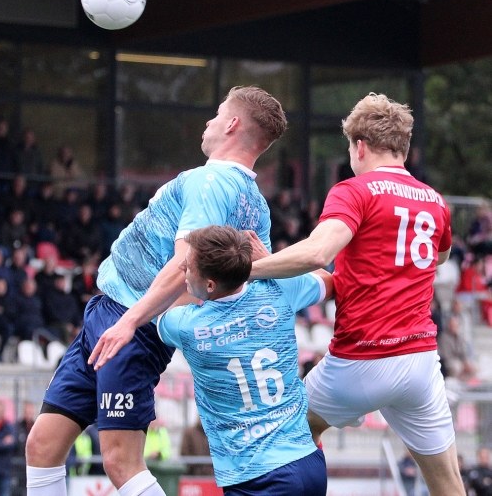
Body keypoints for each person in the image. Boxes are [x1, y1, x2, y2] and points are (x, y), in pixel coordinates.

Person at [26, 86, 286, 496]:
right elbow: (254, 276)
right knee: (42, 445)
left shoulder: (211, 180)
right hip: (110, 316)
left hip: (131, 323)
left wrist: (130, 322)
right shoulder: (254, 203)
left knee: (120, 461)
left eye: (218, 114)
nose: (209, 122)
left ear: (233, 124)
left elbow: (187, 262)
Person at [247, 93, 463, 496]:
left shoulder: (354, 190)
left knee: (286, 434)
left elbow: (318, 252)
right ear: (403, 148)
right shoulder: (436, 201)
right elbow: (440, 256)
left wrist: (248, 268)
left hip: (361, 359)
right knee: (448, 484)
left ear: (359, 146)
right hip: (419, 361)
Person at [154, 225, 330, 493]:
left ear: (210, 284)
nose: (181, 269)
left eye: (188, 267)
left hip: (256, 477)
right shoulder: (277, 290)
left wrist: (193, 283)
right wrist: (267, 262)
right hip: (307, 462)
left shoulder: (186, 325)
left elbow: (162, 307)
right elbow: (329, 281)